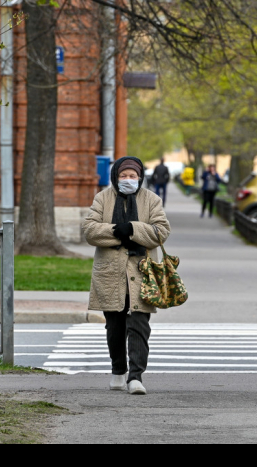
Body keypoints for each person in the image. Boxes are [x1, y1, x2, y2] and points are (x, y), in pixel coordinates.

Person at [82, 156, 171, 396]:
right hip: (110, 273)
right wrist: (116, 231)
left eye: (133, 176)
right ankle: (118, 371)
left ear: (140, 177)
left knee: (139, 325)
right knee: (115, 326)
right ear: (115, 177)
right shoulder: (103, 198)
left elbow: (161, 232)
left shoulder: (152, 200)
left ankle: (136, 377)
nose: (128, 180)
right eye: (124, 175)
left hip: (142, 273)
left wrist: (132, 229)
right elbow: (89, 231)